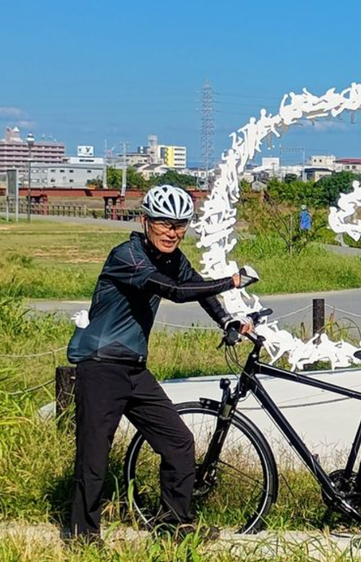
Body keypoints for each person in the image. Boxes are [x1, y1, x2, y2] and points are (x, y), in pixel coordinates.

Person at [66, 184, 258, 543]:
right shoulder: (127, 256)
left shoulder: (173, 259)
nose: (172, 232)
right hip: (100, 365)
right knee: (94, 454)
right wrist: (231, 282)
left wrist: (227, 320)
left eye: (180, 225)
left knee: (178, 442)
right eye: (164, 223)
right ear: (145, 221)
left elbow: (196, 287)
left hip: (134, 369)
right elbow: (176, 292)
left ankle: (173, 525)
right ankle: (81, 537)